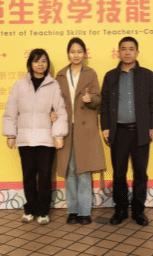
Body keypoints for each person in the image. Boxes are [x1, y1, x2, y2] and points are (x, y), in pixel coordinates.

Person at [2, 48, 68, 225]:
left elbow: (60, 111)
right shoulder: (20, 85)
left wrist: (58, 135)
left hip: (46, 139)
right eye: (37, 61)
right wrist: (10, 134)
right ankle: (29, 209)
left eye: (44, 61)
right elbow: (11, 111)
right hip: (25, 139)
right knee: (28, 175)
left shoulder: (53, 85)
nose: (40, 64)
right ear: (30, 64)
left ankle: (43, 211)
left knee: (45, 177)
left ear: (48, 64)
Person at [101, 37, 153, 226]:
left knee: (140, 173)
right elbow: (104, 104)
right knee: (119, 174)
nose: (127, 52)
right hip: (118, 132)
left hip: (140, 132)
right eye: (124, 49)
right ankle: (120, 210)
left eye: (131, 49)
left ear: (137, 52)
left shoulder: (147, 75)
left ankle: (138, 211)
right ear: (118, 52)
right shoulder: (110, 76)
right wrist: (105, 127)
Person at [54, 38, 106, 225]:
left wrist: (90, 98)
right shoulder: (60, 75)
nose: (76, 55)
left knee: (84, 170)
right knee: (70, 170)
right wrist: (52, 114)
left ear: (84, 54)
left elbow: (99, 98)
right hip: (67, 127)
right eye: (72, 51)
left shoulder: (91, 74)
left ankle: (84, 212)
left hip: (85, 128)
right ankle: (72, 211)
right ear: (68, 53)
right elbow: (54, 101)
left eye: (79, 51)